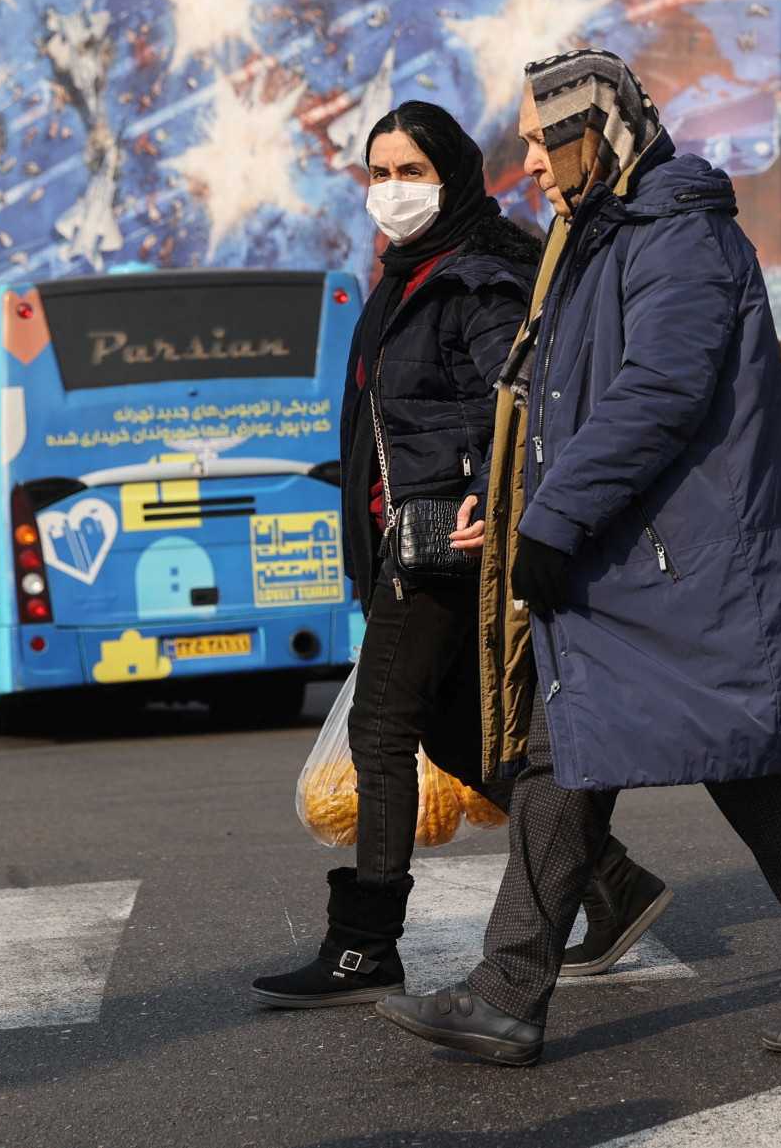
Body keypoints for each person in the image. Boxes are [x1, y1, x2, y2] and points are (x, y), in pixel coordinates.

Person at [376, 49, 781, 1067]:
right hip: (623, 556)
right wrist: (523, 511)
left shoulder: (679, 239)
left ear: (592, 134)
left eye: (541, 140)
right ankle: (508, 988)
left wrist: (553, 515)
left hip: (682, 563)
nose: (527, 162)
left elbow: (657, 393)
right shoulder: (597, 237)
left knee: (745, 762)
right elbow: (567, 409)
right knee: (560, 756)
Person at [253, 101, 671, 1008]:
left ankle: (365, 942)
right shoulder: (403, 278)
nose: (390, 192)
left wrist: (493, 486)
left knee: (380, 729)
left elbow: (519, 398)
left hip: (447, 543)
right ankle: (608, 879)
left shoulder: (474, 275)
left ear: (450, 176)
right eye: (377, 173)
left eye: (410, 172)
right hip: (406, 541)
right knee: (461, 735)